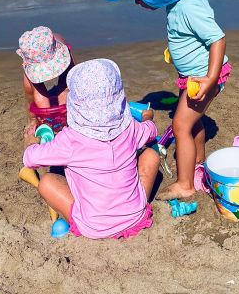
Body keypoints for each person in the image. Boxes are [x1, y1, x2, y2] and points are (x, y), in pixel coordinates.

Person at [104, 0, 231, 201]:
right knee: (192, 122)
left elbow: (217, 38)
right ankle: (198, 161)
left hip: (204, 77)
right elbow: (191, 33)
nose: (137, 2)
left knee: (180, 125)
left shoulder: (187, 6)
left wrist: (210, 78)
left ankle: (185, 184)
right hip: (194, 76)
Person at [22, 58, 160, 239]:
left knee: (47, 182)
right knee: (150, 155)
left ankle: (80, 220)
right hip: (135, 216)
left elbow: (30, 159)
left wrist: (31, 141)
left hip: (94, 227)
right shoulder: (131, 128)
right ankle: (130, 210)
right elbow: (151, 131)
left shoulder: (70, 140)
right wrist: (147, 118)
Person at [17, 26, 75, 145]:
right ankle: (40, 121)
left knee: (67, 85)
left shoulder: (64, 51)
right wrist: (33, 119)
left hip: (55, 55)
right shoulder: (30, 61)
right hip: (34, 62)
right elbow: (30, 97)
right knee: (33, 91)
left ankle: (69, 117)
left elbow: (75, 82)